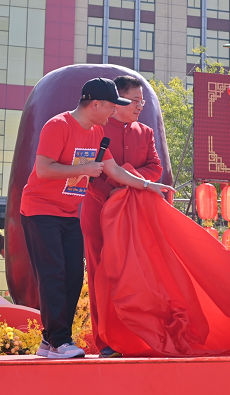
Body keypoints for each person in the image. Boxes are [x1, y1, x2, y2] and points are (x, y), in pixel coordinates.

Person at [20, 78, 173, 359]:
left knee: (72, 277)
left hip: (69, 213)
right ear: (95, 104)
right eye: (112, 106)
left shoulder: (97, 132)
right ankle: (60, 341)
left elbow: (114, 171)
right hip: (40, 211)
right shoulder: (58, 126)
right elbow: (43, 169)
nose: (113, 112)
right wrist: (85, 168)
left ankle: (49, 342)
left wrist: (148, 185)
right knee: (53, 275)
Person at [80, 75, 163, 359]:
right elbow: (90, 174)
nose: (140, 106)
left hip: (133, 215)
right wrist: (114, 190)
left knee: (137, 276)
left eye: (143, 101)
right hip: (98, 211)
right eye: (135, 100)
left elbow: (155, 168)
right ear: (117, 102)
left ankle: (137, 338)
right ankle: (105, 341)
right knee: (100, 277)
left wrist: (127, 179)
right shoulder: (96, 130)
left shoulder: (145, 133)